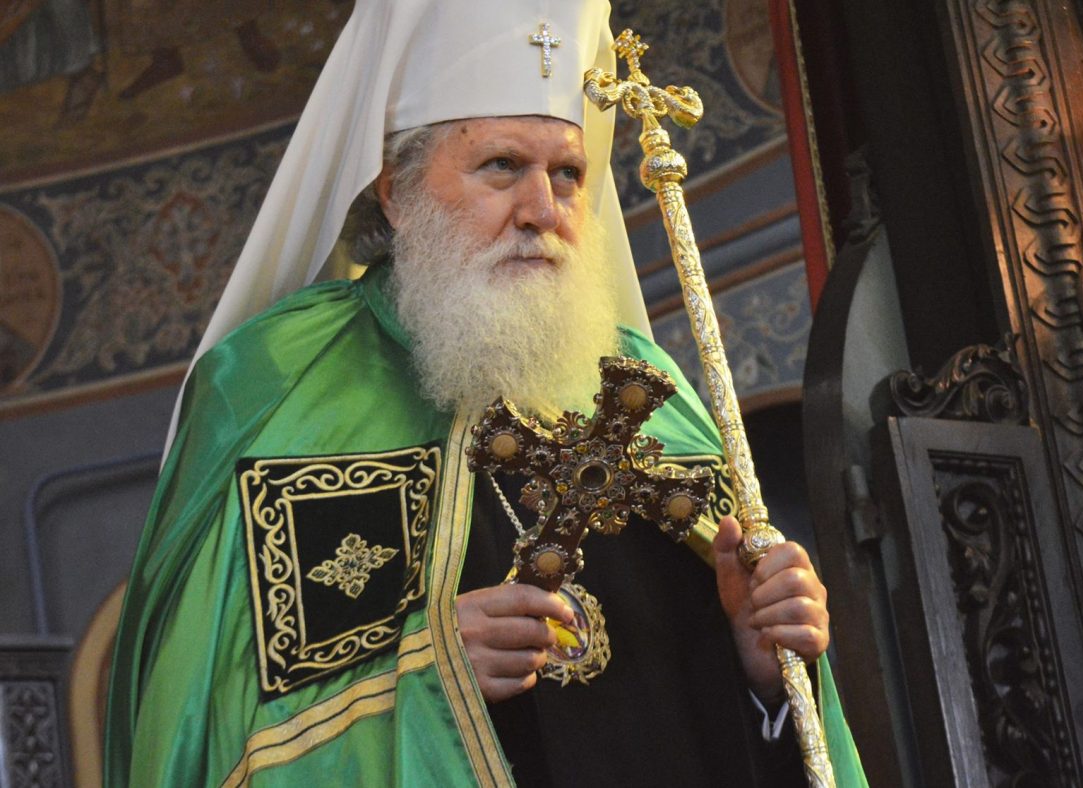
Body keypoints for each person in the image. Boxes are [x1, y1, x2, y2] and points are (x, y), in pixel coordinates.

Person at [103, 1, 867, 785]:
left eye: (568, 174)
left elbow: (722, 720)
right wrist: (427, 672)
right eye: (502, 165)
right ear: (396, 193)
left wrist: (762, 672)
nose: (543, 210)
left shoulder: (644, 392)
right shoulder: (282, 382)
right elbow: (205, 732)